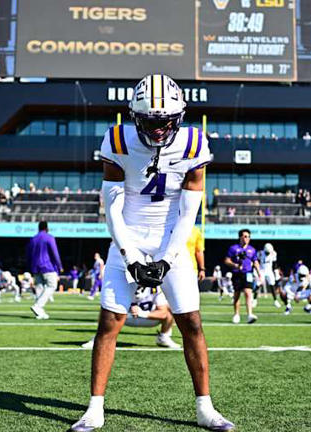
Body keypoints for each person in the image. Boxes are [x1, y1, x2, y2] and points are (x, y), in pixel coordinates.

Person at [71, 74, 233, 432]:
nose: (158, 129)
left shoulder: (193, 143)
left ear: (179, 116)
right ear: (135, 116)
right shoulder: (118, 139)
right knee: (109, 322)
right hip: (127, 236)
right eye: (149, 120)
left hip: (171, 239)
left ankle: (205, 407)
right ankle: (94, 408)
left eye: (165, 121)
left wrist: (167, 258)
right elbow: (112, 207)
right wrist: (130, 255)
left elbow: (189, 213)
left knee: (191, 322)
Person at [81, 285, 180, 349]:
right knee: (106, 310)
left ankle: (163, 337)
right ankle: (99, 338)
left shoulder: (155, 288)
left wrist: (142, 313)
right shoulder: (125, 284)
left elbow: (163, 312)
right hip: (125, 316)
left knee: (169, 312)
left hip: (147, 318)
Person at [26, 221, 63, 319]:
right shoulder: (49, 237)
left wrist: (30, 267)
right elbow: (54, 252)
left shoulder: (33, 238)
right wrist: (59, 265)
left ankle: (40, 312)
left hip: (35, 267)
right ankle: (38, 306)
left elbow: (28, 254)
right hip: (47, 266)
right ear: (47, 228)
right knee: (52, 285)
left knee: (39, 288)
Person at [224, 228, 260, 324]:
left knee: (248, 293)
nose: (247, 238)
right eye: (245, 236)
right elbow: (227, 260)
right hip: (237, 273)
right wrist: (235, 265)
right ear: (240, 237)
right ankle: (236, 314)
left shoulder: (252, 250)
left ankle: (250, 315)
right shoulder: (233, 248)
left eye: (248, 237)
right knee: (237, 294)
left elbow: (255, 261)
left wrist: (259, 273)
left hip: (248, 273)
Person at [257, 243, 280, 307]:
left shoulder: (273, 253)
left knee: (272, 285)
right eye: (267, 252)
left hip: (269, 271)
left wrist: (276, 272)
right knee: (258, 285)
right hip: (262, 270)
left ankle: (275, 301)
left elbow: (275, 264)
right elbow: (256, 262)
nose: (267, 254)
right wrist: (256, 271)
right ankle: (254, 300)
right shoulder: (260, 253)